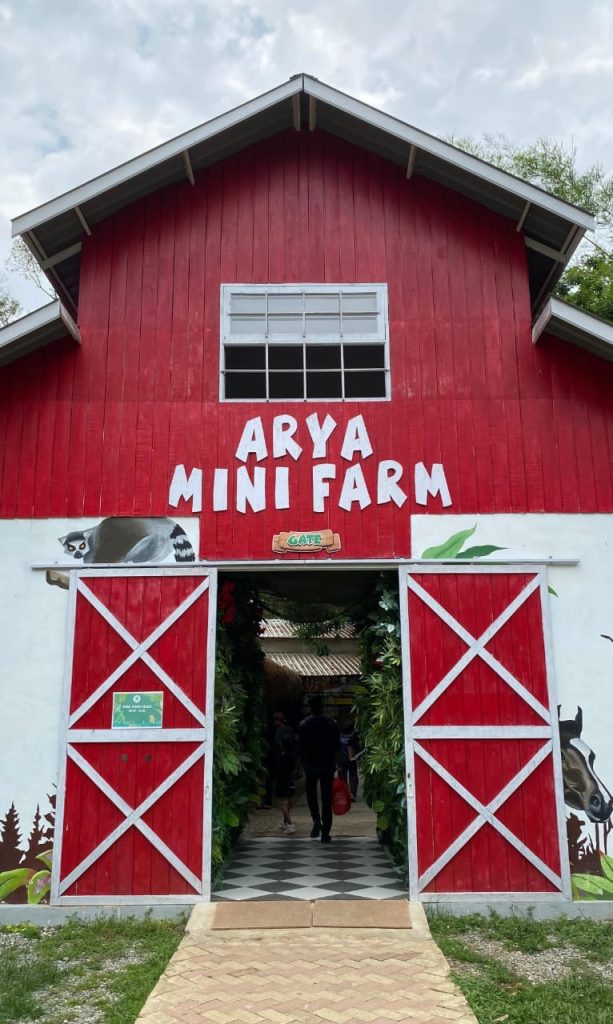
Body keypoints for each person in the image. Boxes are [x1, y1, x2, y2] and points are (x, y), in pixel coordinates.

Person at [298, 694, 340, 843]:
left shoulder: (304, 724)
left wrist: (300, 764)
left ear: (310, 708)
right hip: (327, 764)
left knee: (311, 794)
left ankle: (316, 819)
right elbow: (337, 745)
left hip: (311, 764)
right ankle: (326, 832)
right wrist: (338, 764)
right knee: (326, 797)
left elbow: (301, 746)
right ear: (322, 707)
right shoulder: (332, 723)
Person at [272, 712, 297, 833]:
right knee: (289, 796)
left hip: (282, 769)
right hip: (291, 769)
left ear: (278, 721)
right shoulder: (290, 730)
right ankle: (285, 820)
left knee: (280, 799)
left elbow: (277, 743)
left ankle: (290, 823)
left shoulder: (279, 734)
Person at [339, 720, 360, 800]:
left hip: (342, 758)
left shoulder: (340, 737)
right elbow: (356, 747)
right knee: (353, 775)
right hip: (351, 758)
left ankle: (345, 792)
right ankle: (352, 793)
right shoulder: (353, 737)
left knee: (343, 775)